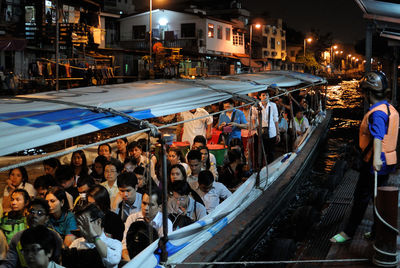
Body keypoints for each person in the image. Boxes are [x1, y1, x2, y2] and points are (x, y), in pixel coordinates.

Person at [330, 71, 399, 243]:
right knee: (379, 198)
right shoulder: (388, 108)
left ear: (368, 93)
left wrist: (375, 160)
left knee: (361, 198)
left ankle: (348, 233)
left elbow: (378, 136)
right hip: (388, 162)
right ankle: (377, 232)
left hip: (376, 162)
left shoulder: (377, 113)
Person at [2, 198, 64, 268]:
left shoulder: (53, 236)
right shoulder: (18, 237)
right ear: (26, 214)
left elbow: (57, 262)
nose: (34, 216)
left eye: (40, 213)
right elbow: (9, 263)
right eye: (31, 211)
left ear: (47, 218)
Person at [64, 204, 122, 268]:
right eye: (79, 224)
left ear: (98, 222)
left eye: (85, 223)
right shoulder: (76, 243)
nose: (81, 228)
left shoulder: (114, 243)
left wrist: (94, 236)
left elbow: (113, 261)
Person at [121, 189, 172, 261]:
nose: (146, 208)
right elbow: (124, 246)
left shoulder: (165, 223)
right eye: (144, 203)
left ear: (160, 207)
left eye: (151, 205)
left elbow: (163, 250)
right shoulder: (132, 218)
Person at [256, 91, 280, 163]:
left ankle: (270, 167)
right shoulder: (256, 106)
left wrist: (278, 133)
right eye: (263, 95)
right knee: (261, 152)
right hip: (260, 132)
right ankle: (261, 169)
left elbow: (276, 120)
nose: (265, 97)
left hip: (272, 132)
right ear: (260, 97)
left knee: (271, 153)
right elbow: (253, 119)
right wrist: (256, 130)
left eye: (267, 95)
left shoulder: (273, 105)